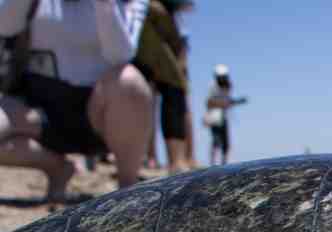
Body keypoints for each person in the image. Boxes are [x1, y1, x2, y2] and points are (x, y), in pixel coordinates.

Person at [0, 0, 154, 200]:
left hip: (99, 113)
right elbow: (5, 27)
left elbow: (120, 55)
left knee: (130, 81)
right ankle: (56, 167)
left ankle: (126, 187)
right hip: (38, 110)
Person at [133, 0, 191, 173]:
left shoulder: (174, 15)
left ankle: (175, 159)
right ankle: (147, 156)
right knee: (144, 102)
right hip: (140, 45)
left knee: (173, 96)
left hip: (166, 50)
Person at [204, 63, 245, 166]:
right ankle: (213, 163)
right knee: (216, 141)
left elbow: (227, 101)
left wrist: (234, 102)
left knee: (226, 143)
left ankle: (224, 163)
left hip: (223, 117)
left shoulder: (228, 86)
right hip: (215, 118)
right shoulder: (213, 87)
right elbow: (209, 102)